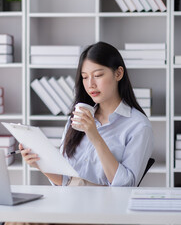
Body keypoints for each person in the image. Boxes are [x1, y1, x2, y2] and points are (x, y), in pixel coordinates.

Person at [20, 41, 154, 187]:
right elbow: (67, 181)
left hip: (108, 208)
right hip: (69, 205)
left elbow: (125, 186)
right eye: (85, 77)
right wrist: (40, 164)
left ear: (118, 73)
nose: (90, 84)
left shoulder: (138, 126)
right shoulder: (78, 117)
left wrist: (94, 136)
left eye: (97, 75)